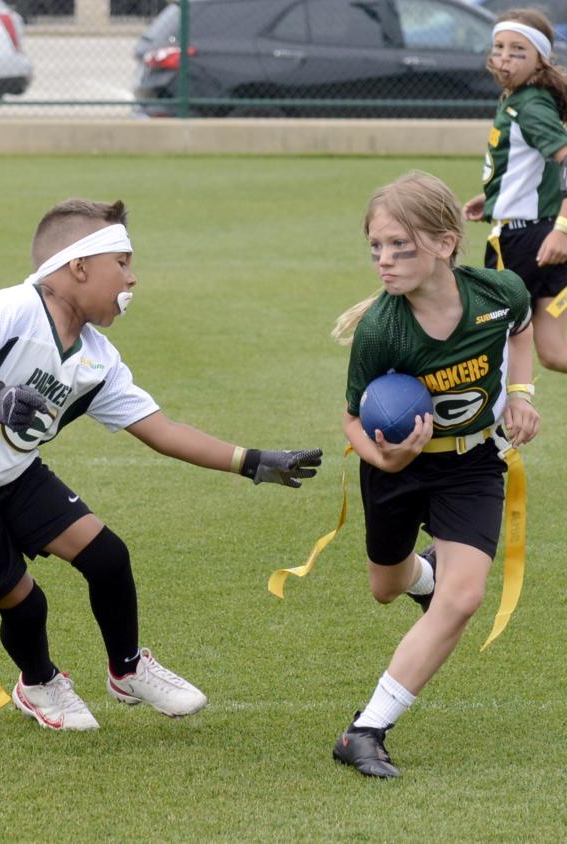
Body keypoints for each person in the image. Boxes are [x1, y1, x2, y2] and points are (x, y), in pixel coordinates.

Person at [0, 197, 322, 732]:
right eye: (123, 263)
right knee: (22, 600)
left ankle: (128, 669)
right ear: (79, 266)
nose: (132, 279)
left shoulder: (98, 358)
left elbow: (161, 431)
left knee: (108, 557)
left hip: (16, 476)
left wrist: (251, 461)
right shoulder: (14, 308)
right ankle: (39, 683)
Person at [330, 171, 539, 778]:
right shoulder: (381, 330)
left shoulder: (499, 291)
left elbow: (520, 330)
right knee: (386, 587)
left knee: (465, 596)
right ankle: (424, 578)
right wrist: (385, 458)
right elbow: (350, 420)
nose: (385, 260)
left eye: (401, 244)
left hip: (473, 464)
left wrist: (521, 394)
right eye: (376, 247)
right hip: (398, 470)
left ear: (446, 243)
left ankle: (365, 731)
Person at [463, 7, 567, 372]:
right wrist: (494, 199)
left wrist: (562, 229)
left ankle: (497, 423)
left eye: (518, 50)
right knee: (554, 352)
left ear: (540, 60)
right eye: (499, 47)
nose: (505, 57)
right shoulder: (518, 97)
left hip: (526, 243)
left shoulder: (529, 104)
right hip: (537, 236)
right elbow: (537, 168)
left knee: (495, 343)